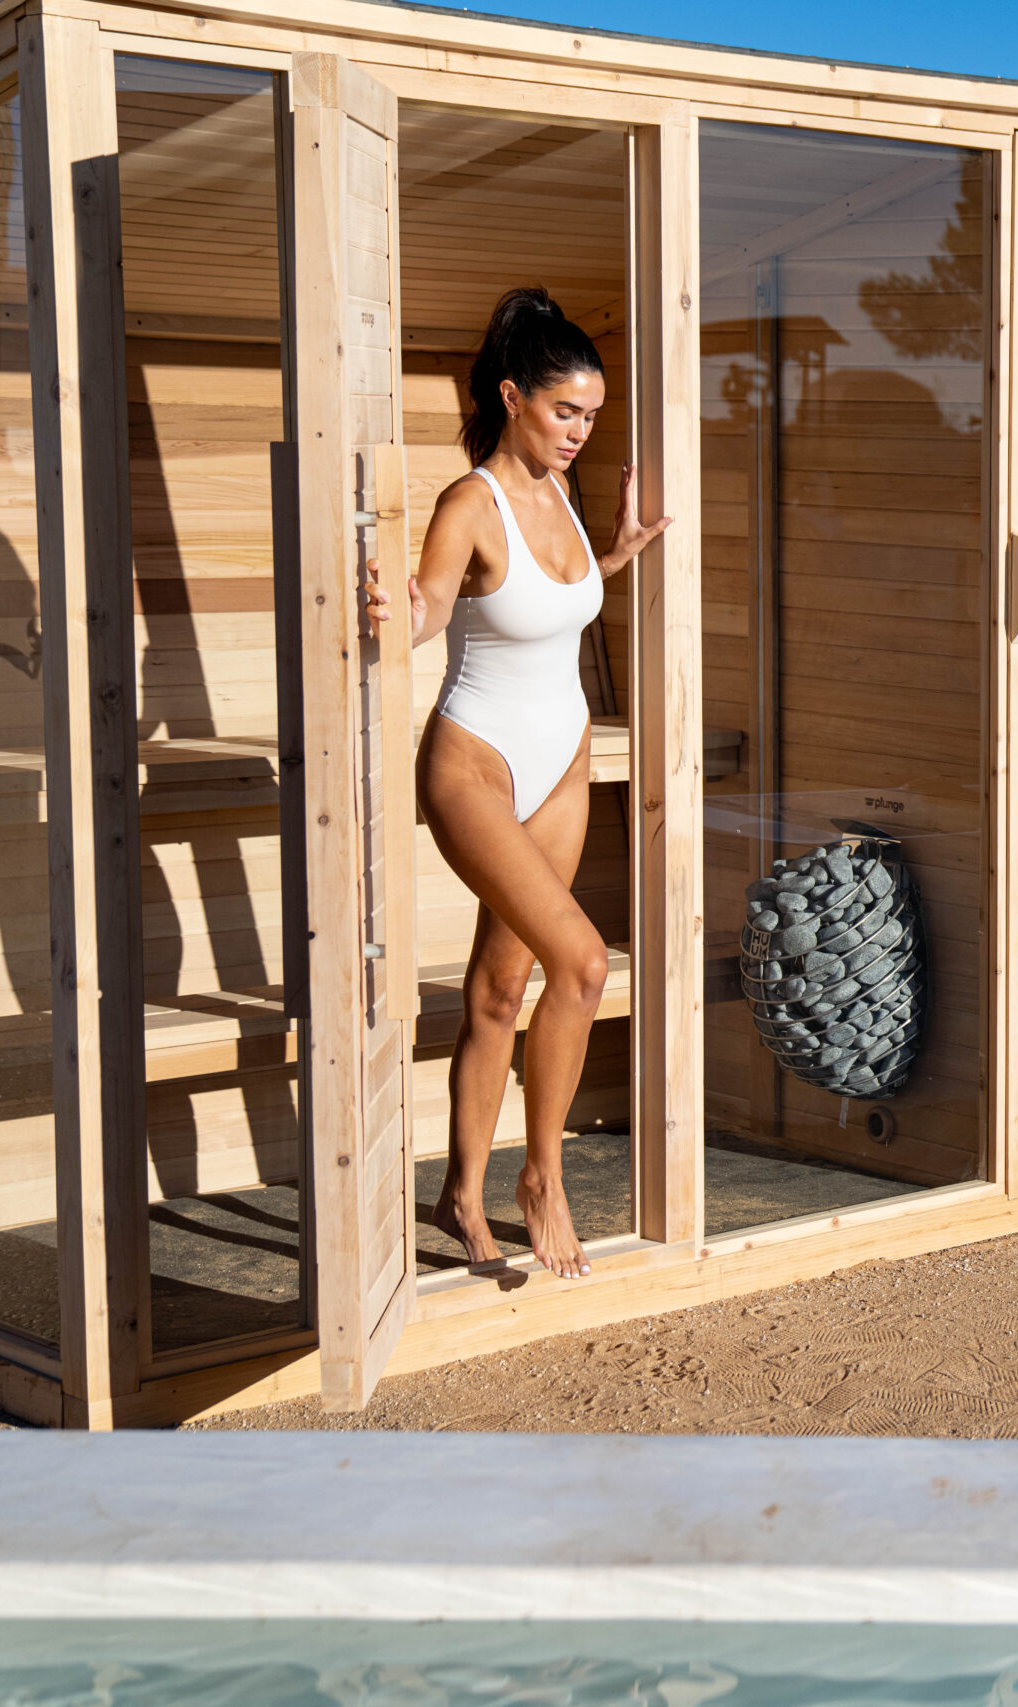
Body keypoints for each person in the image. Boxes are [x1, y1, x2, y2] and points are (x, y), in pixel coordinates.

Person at [362, 287, 670, 1278]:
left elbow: (548, 605)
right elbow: (431, 616)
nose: (580, 431)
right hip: (475, 766)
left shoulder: (568, 498)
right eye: (563, 411)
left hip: (563, 762)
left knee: (503, 988)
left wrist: (611, 557)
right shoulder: (470, 502)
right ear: (511, 397)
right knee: (581, 964)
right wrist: (391, 610)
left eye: (590, 413)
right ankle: (540, 1177)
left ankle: (458, 1194)